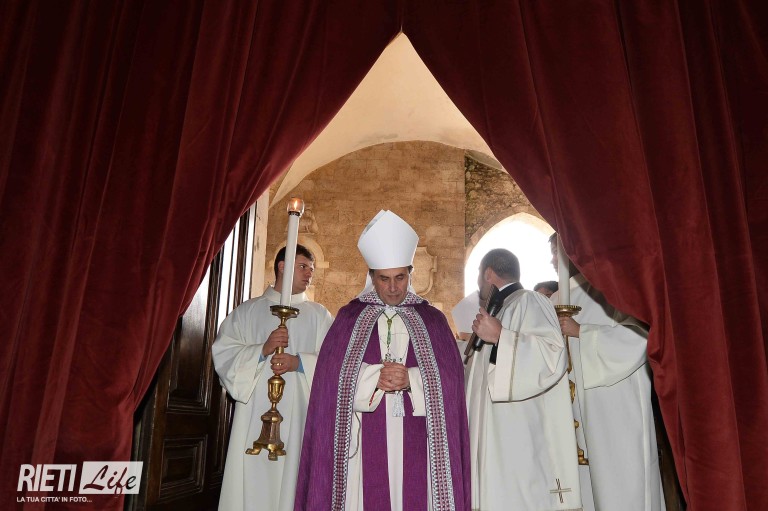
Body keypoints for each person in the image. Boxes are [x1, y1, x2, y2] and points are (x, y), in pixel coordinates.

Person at [294, 210, 470, 511]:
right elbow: (328, 378)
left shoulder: (433, 319)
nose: (393, 287)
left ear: (411, 274)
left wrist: (412, 379)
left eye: (400, 277)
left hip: (419, 438)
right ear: (372, 277)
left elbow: (453, 381)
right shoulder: (349, 317)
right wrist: (372, 378)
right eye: (384, 279)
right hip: (363, 440)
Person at [212, 244, 333, 511]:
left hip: (299, 417)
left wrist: (299, 363)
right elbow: (224, 354)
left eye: (311, 269)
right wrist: (261, 350)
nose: (309, 274)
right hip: (253, 416)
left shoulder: (319, 316)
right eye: (303, 267)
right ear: (282, 266)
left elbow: (336, 362)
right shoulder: (247, 312)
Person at [549, 233, 665, 511]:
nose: (554, 260)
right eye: (552, 254)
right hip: (572, 411)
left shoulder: (614, 287)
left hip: (615, 412)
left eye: (557, 252)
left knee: (620, 486)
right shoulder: (554, 300)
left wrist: (582, 332)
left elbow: (641, 338)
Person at [467, 248, 582, 510]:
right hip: (491, 442)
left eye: (478, 274)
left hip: (516, 442)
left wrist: (501, 337)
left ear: (488, 273)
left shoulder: (529, 301)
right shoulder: (497, 310)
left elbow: (552, 356)